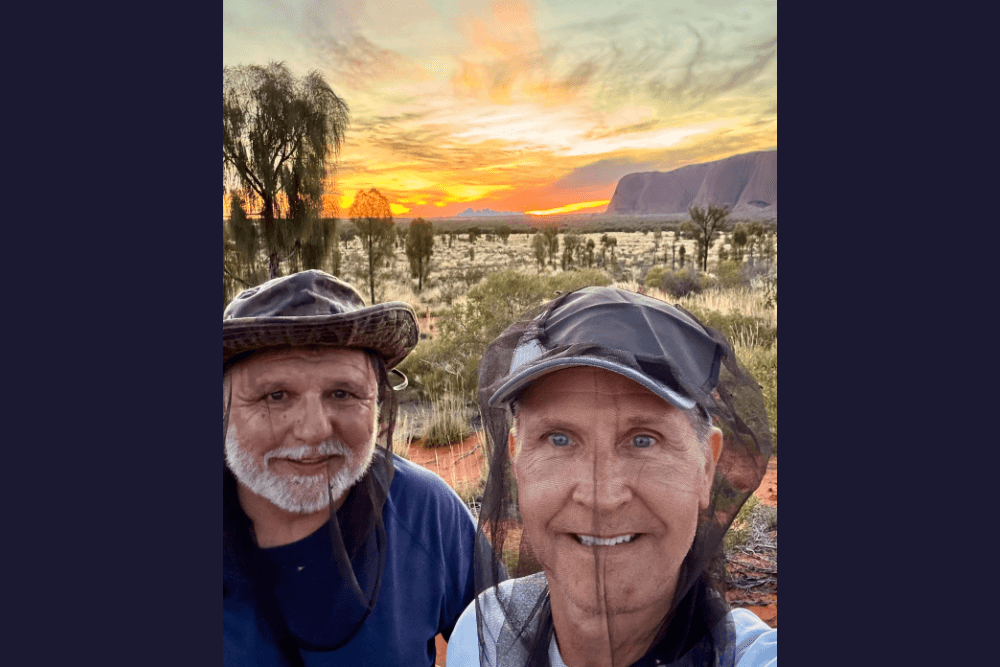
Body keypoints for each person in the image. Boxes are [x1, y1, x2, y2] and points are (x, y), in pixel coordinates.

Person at [447, 286, 776, 666]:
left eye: (642, 440)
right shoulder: (483, 632)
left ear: (706, 467)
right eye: (559, 439)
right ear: (517, 460)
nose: (600, 496)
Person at [223, 270, 483, 667]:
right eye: (275, 395)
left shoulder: (423, 510)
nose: (313, 430)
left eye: (342, 393)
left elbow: (508, 642)